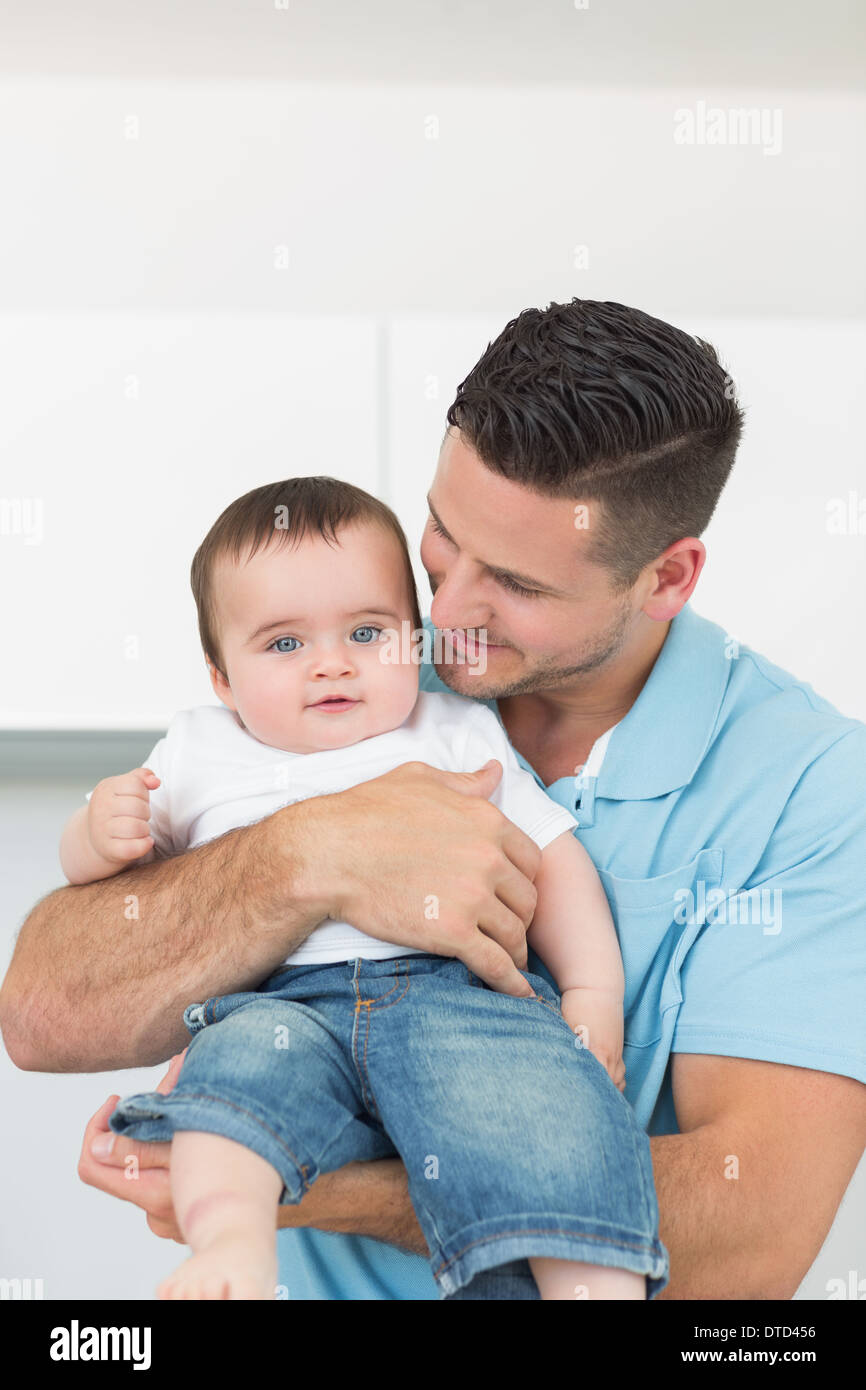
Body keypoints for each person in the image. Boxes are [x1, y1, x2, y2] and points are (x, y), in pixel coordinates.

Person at [3, 299, 866, 1301]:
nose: (442, 619)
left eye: (515, 584)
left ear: (664, 576)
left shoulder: (811, 792)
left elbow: (748, 1235)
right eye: (442, 537)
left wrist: (311, 1179)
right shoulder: (352, 653)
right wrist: (309, 853)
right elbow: (41, 1011)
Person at [56, 475, 668, 1301]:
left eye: (369, 632)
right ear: (222, 678)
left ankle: (591, 1288)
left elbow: (553, 856)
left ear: (416, 640)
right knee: (224, 1090)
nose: (332, 664)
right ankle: (231, 1246)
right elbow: (99, 877)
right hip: (278, 1006)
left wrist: (592, 991)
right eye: (283, 645)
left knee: (549, 1116)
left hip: (455, 995)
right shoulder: (198, 750)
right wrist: (97, 829)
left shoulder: (452, 730)